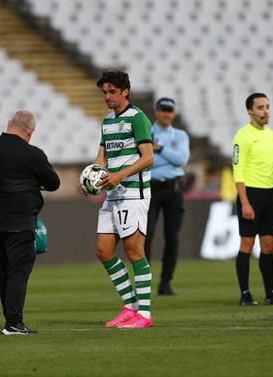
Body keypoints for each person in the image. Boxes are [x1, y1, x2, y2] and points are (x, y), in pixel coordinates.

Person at [0, 110, 60, 335]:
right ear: (30, 132)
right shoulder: (32, 154)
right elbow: (53, 183)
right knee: (18, 272)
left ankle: (10, 319)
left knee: (4, 273)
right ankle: (14, 323)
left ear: (9, 125)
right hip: (21, 223)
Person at [91, 70, 155, 328]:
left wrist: (119, 176)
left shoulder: (138, 118)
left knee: (134, 252)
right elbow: (101, 159)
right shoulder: (107, 121)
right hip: (113, 194)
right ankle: (130, 306)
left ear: (125, 91)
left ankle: (145, 314)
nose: (107, 96)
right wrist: (92, 179)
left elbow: (148, 157)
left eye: (112, 92)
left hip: (133, 193)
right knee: (103, 251)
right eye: (105, 92)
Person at [232, 93, 273, 306]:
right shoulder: (242, 136)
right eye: (260, 108)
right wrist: (245, 202)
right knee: (246, 245)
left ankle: (270, 293)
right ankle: (245, 294)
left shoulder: (272, 135)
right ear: (250, 111)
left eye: (267, 107)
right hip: (251, 194)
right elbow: (237, 170)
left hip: (269, 195)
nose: (265, 111)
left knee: (267, 246)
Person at [144, 97, 190, 296]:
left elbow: (182, 159)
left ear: (173, 113)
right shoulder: (147, 132)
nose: (166, 113)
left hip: (174, 189)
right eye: (163, 110)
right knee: (146, 235)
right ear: (156, 111)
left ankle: (165, 282)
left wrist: (159, 149)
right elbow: (146, 162)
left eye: (169, 110)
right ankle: (143, 281)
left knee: (173, 237)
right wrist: (167, 159)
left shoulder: (180, 135)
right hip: (150, 188)